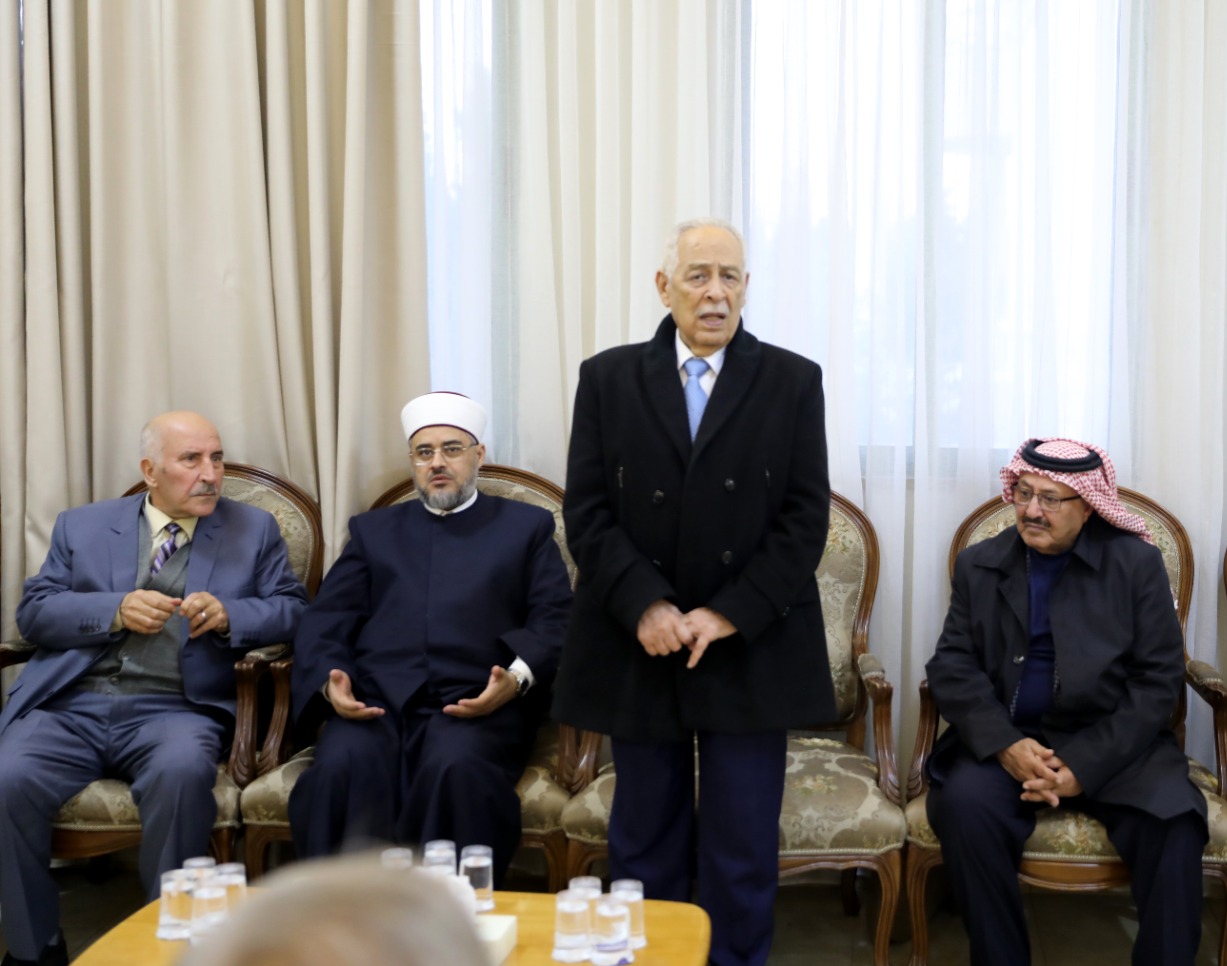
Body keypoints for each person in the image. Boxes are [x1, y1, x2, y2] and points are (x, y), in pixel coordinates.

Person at [552, 218, 835, 966]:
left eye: (730, 276)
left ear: (746, 287)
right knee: (645, 838)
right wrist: (644, 604)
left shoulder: (793, 380)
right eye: (699, 276)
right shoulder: (607, 378)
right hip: (643, 641)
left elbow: (805, 518)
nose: (715, 293)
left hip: (748, 643)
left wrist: (729, 612)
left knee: (742, 843)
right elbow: (587, 512)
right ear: (664, 287)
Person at [0, 412, 308, 966]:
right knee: (6, 779)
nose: (211, 474)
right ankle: (33, 948)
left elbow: (294, 611)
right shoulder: (83, 526)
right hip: (70, 705)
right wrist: (113, 609)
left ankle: (166, 944)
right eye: (191, 460)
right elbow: (35, 612)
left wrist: (231, 614)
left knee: (182, 775)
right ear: (150, 471)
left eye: (215, 457)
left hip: (176, 709)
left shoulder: (253, 529)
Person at [923, 437, 1206, 966]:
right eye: (1024, 493)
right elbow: (951, 666)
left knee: (1174, 822)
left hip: (1113, 745)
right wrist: (1005, 745)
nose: (1032, 510)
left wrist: (1084, 764)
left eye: (1051, 499)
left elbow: (1157, 681)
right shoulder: (980, 564)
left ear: (1089, 505)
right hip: (1011, 742)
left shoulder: (1136, 564)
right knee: (963, 806)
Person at [288, 392, 572, 884]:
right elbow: (325, 618)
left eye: (451, 449)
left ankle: (455, 915)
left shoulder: (525, 527)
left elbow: (556, 620)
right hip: (376, 702)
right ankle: (340, 918)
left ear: (478, 455)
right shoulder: (374, 531)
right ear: (413, 462)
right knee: (339, 768)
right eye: (424, 452)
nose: (437, 462)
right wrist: (331, 685)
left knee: (456, 770)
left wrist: (515, 680)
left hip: (476, 703)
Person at [179, 854, 489, 966]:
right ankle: (317, 900)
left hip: (461, 733)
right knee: (339, 767)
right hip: (364, 730)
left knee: (454, 764)